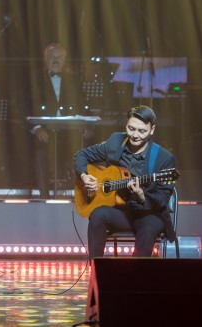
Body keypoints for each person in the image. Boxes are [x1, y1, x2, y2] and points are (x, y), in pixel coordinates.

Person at [73, 105, 176, 259]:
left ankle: (134, 273)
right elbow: (82, 155)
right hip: (120, 212)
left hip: (148, 214)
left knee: (148, 229)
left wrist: (142, 196)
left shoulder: (164, 158)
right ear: (126, 123)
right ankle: (95, 268)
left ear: (152, 130)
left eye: (142, 131)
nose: (135, 135)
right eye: (131, 128)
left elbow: (162, 200)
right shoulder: (116, 141)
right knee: (97, 214)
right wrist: (84, 176)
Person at [26, 42, 89, 198]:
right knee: (40, 153)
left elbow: (82, 105)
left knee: (82, 152)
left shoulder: (74, 80)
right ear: (45, 59)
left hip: (69, 131)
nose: (55, 59)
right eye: (52, 56)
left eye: (59, 56)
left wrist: (87, 125)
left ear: (64, 59)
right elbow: (27, 105)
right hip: (45, 130)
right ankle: (44, 197)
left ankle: (79, 196)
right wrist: (37, 128)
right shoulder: (35, 79)